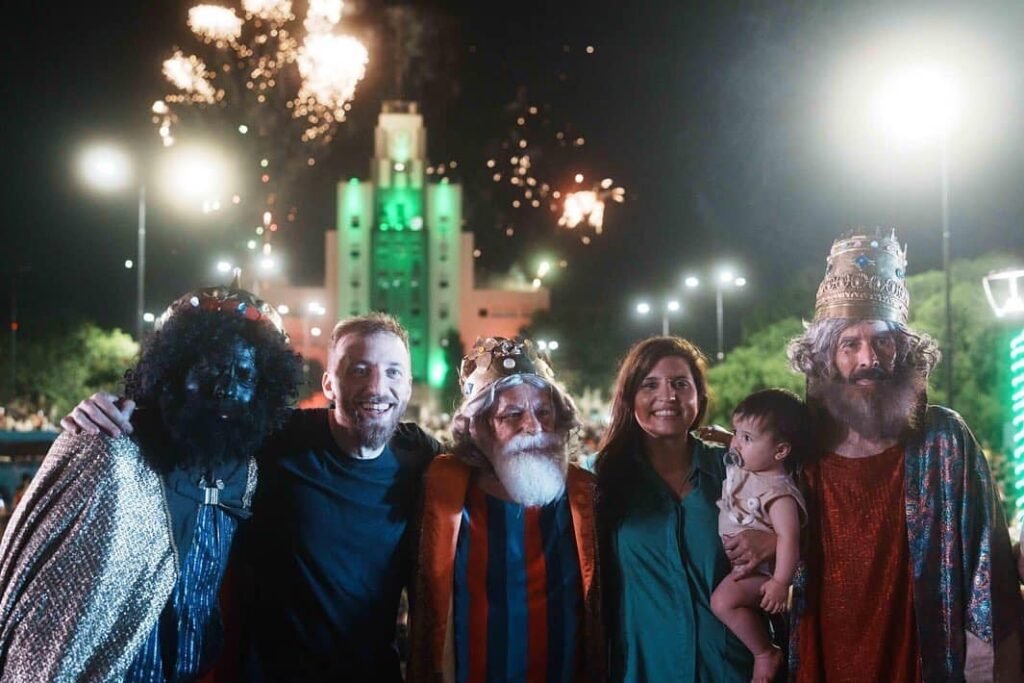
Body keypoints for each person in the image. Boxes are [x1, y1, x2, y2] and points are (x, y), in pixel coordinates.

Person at [63, 312, 441, 682]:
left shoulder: (423, 457)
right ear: (329, 384)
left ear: (408, 385)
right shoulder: (275, 438)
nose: (377, 386)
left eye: (393, 371)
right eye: (359, 369)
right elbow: (190, 422)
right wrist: (107, 412)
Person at [0, 282, 302, 681]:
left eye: (244, 374)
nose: (226, 386)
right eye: (211, 367)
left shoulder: (246, 468)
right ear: (174, 371)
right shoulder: (113, 448)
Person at [787, 230, 1023, 681]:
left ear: (904, 350)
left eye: (882, 342)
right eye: (849, 345)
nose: (867, 359)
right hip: (823, 654)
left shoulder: (944, 439)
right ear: (824, 358)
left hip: (922, 660)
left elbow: (986, 567)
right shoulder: (798, 445)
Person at [407, 336, 605, 682]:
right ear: (479, 426)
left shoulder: (585, 494)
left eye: (544, 412)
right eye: (512, 414)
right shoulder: (444, 490)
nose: (533, 425)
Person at [595, 336, 777, 682]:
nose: (668, 396)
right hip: (644, 666)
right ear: (629, 397)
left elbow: (806, 530)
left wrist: (773, 542)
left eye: (680, 383)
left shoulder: (735, 472)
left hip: (730, 668)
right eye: (650, 385)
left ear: (699, 395)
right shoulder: (600, 481)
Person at [710, 389, 809, 683]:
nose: (736, 444)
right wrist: (724, 436)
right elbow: (736, 448)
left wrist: (780, 582)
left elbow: (789, 538)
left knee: (722, 602)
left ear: (780, 451)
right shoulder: (752, 465)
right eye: (736, 433)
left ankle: (764, 652)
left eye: (746, 438)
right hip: (744, 564)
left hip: (763, 573)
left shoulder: (779, 494)